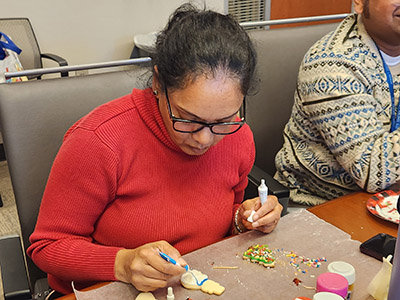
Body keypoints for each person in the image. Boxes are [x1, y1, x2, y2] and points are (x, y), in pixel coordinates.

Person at [27, 3, 283, 296]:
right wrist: (122, 263)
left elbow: (222, 212)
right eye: (188, 119)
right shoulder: (99, 141)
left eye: (223, 121)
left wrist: (243, 219)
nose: (204, 139)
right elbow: (47, 247)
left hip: (201, 282)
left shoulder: (238, 137)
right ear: (159, 82)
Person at [275, 0, 400, 205]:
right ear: (359, 2)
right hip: (321, 208)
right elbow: (371, 172)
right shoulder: (333, 64)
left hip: (388, 203)